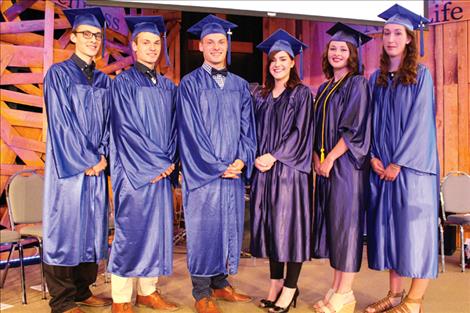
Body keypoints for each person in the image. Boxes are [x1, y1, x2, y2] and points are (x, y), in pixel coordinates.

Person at [176, 14, 257, 313]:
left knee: (227, 228)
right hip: (205, 175)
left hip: (232, 173)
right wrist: (217, 165)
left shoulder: (239, 86)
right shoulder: (189, 84)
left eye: (221, 42)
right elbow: (190, 132)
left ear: (228, 44)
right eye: (210, 42)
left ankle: (221, 285)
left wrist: (242, 159)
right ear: (200, 46)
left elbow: (249, 130)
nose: (215, 47)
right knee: (203, 230)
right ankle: (201, 293)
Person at [366, 4, 438, 313]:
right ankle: (394, 295)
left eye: (398, 33)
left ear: (409, 39)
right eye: (387, 33)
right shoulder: (377, 79)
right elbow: (369, 121)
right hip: (383, 169)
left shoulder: (421, 75)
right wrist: (373, 156)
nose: (391, 38)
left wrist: (400, 161)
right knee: (392, 231)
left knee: (416, 232)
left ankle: (414, 301)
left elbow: (421, 121)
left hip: (413, 169)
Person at [42, 7, 112, 313]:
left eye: (97, 35)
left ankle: (83, 290)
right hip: (68, 170)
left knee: (91, 228)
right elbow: (60, 123)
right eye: (87, 34)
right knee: (65, 229)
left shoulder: (105, 81)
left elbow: (112, 124)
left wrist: (104, 155)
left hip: (96, 167)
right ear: (73, 37)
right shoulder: (58, 74)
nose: (93, 40)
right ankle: (62, 300)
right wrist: (87, 160)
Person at [108, 16, 178, 313]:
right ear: (134, 47)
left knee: (157, 231)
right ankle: (121, 299)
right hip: (133, 171)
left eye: (155, 42)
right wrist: (157, 163)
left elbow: (176, 127)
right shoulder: (122, 82)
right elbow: (124, 128)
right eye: (145, 42)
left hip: (161, 172)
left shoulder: (167, 85)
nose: (151, 47)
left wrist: (170, 162)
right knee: (131, 231)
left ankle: (148, 291)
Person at [250, 29, 314, 313]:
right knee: (270, 229)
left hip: (289, 172)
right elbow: (251, 130)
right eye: (273, 59)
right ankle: (275, 284)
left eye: (283, 58)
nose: (277, 64)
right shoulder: (262, 96)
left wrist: (274, 156)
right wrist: (256, 157)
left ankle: (290, 288)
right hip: (265, 170)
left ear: (292, 62)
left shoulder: (301, 93)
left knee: (290, 230)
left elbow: (301, 133)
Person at [312, 22, 372, 313]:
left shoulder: (358, 83)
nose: (337, 52)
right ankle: (337, 287)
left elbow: (354, 130)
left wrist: (330, 158)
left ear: (353, 54)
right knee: (335, 228)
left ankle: (346, 292)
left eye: (343, 49)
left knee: (347, 228)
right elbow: (316, 127)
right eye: (333, 48)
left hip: (347, 167)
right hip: (327, 166)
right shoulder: (325, 87)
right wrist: (316, 159)